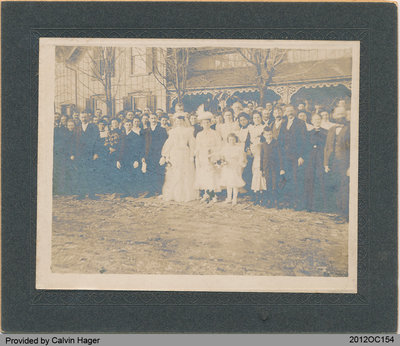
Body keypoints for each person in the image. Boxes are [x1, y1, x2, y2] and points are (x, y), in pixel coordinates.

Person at [160, 113, 197, 202]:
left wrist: (192, 155)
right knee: (175, 173)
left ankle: (186, 195)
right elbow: (169, 144)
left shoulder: (188, 131)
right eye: (177, 121)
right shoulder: (172, 131)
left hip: (185, 153)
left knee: (186, 173)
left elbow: (192, 143)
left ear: (183, 121)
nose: (179, 122)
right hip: (175, 153)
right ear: (175, 122)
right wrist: (166, 155)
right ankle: (174, 194)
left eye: (181, 120)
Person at [324, 106, 350, 219]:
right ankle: (338, 212)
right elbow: (327, 147)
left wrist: (350, 166)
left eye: (342, 114)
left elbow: (352, 149)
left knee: (344, 188)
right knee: (335, 186)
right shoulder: (331, 129)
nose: (340, 116)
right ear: (334, 116)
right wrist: (325, 163)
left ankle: (344, 214)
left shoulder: (350, 129)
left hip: (344, 163)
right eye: (338, 114)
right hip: (332, 163)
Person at [278, 105, 307, 210]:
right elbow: (280, 140)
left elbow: (303, 141)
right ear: (285, 112)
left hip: (296, 155)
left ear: (294, 111)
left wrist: (301, 156)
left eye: (291, 110)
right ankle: (287, 201)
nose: (289, 112)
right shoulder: (283, 123)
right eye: (287, 110)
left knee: (295, 178)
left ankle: (296, 202)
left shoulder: (300, 123)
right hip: (285, 156)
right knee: (286, 178)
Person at [71, 112, 101, 200]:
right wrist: (73, 154)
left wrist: (96, 153)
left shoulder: (93, 127)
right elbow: (73, 142)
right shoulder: (77, 128)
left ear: (88, 117)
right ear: (80, 118)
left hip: (90, 154)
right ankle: (81, 194)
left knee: (90, 174)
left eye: (85, 117)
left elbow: (97, 141)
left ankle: (92, 194)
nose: (83, 119)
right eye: (82, 117)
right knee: (80, 174)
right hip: (80, 155)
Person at [194, 111, 222, 203]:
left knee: (212, 175)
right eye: (204, 123)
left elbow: (219, 145)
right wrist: (198, 157)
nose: (206, 124)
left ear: (210, 123)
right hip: (203, 156)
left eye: (207, 122)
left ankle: (213, 194)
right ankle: (206, 193)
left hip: (212, 156)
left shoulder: (215, 133)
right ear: (201, 124)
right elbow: (197, 146)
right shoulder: (199, 134)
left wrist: (213, 152)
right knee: (204, 175)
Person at [116, 117, 146, 197]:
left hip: (132, 159)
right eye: (126, 125)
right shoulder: (121, 136)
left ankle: (134, 192)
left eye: (130, 125)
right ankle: (126, 192)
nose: (128, 126)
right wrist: (118, 160)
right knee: (124, 175)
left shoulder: (135, 136)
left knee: (132, 175)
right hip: (123, 159)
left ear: (132, 126)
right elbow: (119, 149)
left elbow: (138, 149)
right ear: (124, 126)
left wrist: (136, 160)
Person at [304, 113, 328, 212]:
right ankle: (310, 205)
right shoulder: (309, 133)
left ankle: (321, 206)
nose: (317, 121)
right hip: (311, 159)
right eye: (315, 119)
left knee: (320, 180)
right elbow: (306, 147)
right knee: (310, 180)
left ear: (321, 120)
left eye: (319, 119)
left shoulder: (326, 132)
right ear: (312, 121)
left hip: (321, 159)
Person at [143, 113, 168, 197]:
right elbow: (144, 144)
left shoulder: (162, 130)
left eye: (154, 118)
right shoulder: (146, 130)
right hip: (149, 155)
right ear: (149, 120)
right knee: (150, 172)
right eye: (151, 118)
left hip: (158, 154)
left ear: (157, 119)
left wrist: (163, 155)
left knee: (159, 172)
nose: (153, 120)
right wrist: (144, 156)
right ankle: (151, 191)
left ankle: (160, 190)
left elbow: (165, 143)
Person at [260, 127, 285, 208]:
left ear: (272, 134)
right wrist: (261, 169)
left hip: (275, 167)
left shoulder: (276, 143)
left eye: (270, 134)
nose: (269, 136)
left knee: (275, 184)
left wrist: (281, 168)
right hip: (266, 168)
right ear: (264, 135)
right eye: (267, 134)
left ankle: (276, 202)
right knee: (268, 184)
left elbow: (281, 156)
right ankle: (269, 201)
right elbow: (262, 157)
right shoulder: (263, 144)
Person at [219, 133, 247, 205]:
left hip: (235, 166)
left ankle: (235, 198)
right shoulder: (225, 148)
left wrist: (240, 164)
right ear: (228, 140)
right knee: (228, 183)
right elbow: (222, 157)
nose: (232, 141)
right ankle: (229, 198)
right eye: (230, 139)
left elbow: (241, 158)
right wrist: (223, 162)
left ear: (236, 140)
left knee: (235, 183)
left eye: (233, 139)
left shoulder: (239, 148)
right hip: (227, 166)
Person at [248, 111, 266, 204]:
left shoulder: (264, 127)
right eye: (255, 118)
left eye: (258, 117)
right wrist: (248, 149)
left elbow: (264, 139)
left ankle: (260, 192)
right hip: (253, 150)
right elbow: (248, 140)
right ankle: (255, 191)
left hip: (261, 150)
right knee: (254, 170)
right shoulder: (250, 128)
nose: (257, 119)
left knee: (259, 170)